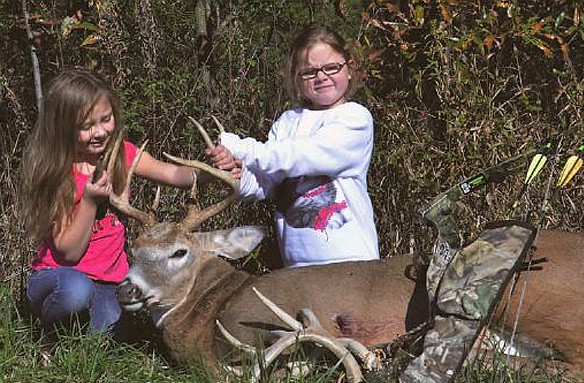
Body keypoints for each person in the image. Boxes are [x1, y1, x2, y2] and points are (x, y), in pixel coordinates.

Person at [20, 68, 201, 364]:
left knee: (111, 336)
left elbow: (173, 174)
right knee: (75, 292)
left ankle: (75, 338)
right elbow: (68, 253)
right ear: (62, 127)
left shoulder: (122, 155)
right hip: (58, 277)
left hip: (108, 282)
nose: (100, 131)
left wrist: (209, 174)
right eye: (86, 125)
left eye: (106, 119)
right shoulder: (59, 175)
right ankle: (49, 338)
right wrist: (90, 201)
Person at [207, 23, 379, 268]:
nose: (322, 77)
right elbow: (266, 182)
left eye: (332, 67)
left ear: (349, 69)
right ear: (297, 80)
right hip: (297, 269)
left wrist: (243, 148)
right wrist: (238, 174)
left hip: (351, 265)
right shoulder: (287, 122)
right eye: (309, 72)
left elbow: (302, 156)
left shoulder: (355, 118)